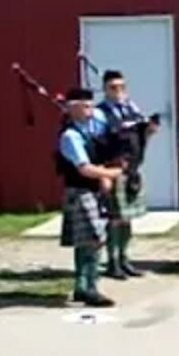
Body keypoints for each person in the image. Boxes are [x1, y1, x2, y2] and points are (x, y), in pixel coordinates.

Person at [56, 88, 121, 307]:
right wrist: (110, 174)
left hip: (92, 190)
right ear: (71, 108)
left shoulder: (93, 131)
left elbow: (99, 158)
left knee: (88, 241)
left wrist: (104, 174)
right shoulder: (70, 136)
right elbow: (84, 168)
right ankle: (89, 288)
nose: (90, 110)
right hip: (79, 191)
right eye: (84, 106)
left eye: (91, 105)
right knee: (93, 239)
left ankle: (82, 287)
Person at [97, 70, 159, 279]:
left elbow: (142, 136)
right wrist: (103, 175)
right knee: (114, 219)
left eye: (122, 87)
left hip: (132, 169)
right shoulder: (100, 114)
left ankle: (124, 258)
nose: (118, 91)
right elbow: (96, 146)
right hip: (113, 169)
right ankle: (112, 261)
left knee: (127, 219)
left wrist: (150, 129)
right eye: (113, 88)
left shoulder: (132, 109)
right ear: (105, 89)